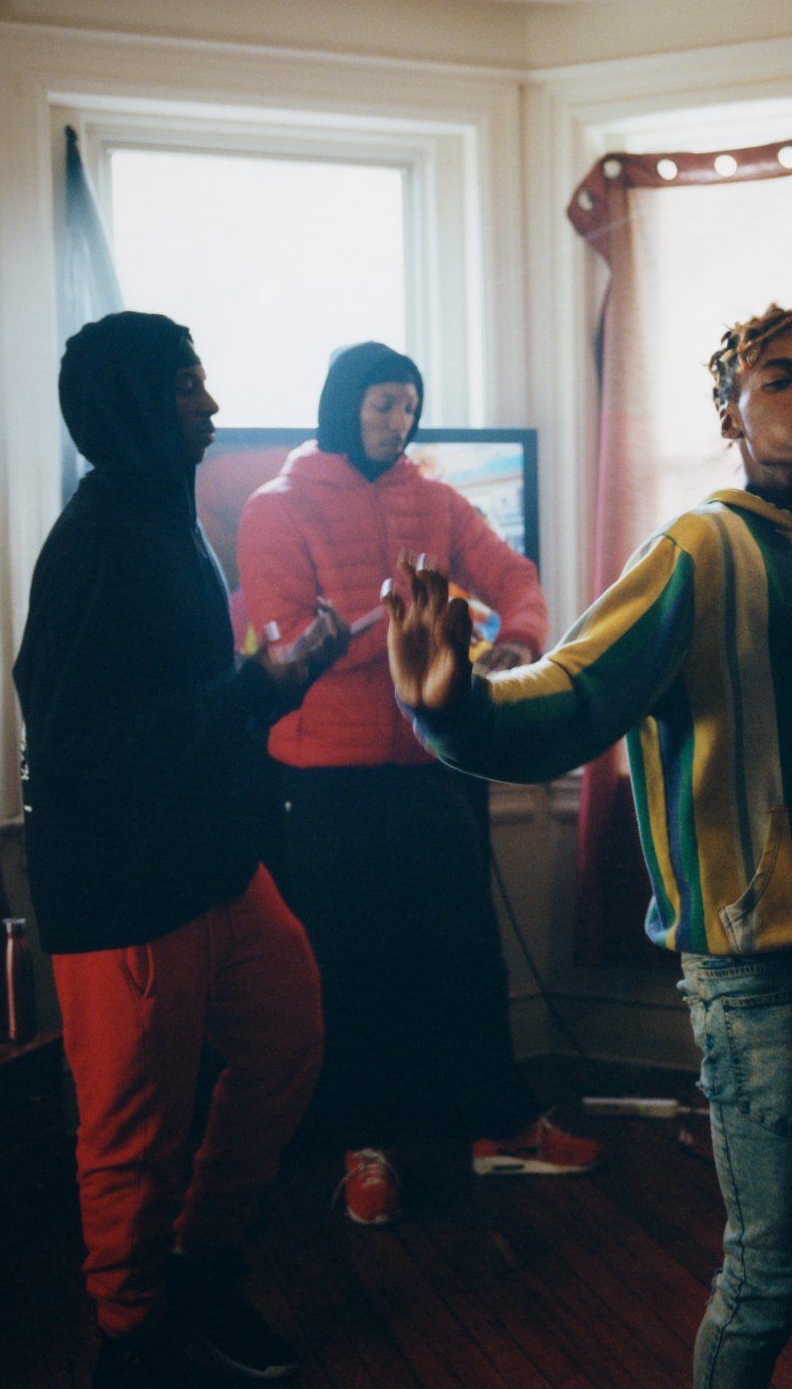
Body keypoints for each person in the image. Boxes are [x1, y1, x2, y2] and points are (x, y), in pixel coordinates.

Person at [383, 305, 792, 1389]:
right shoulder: (697, 549)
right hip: (757, 987)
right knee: (773, 1279)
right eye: (779, 378)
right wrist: (452, 709)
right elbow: (571, 698)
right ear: (729, 412)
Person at [14, 312, 350, 1389]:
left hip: (209, 864)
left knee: (289, 1032)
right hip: (122, 892)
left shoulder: (168, 515)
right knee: (130, 1135)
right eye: (186, 388)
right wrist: (249, 691)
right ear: (131, 405)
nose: (209, 405)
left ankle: (200, 1263)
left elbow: (179, 698)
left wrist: (270, 681)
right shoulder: (95, 541)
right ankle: (134, 1337)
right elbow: (69, 748)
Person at [235, 341, 597, 1228]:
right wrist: (421, 633)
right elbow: (289, 642)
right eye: (383, 404)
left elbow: (513, 577)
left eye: (409, 407)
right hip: (326, 783)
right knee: (349, 972)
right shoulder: (273, 508)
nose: (399, 423)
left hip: (438, 767)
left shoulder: (435, 499)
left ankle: (503, 1124)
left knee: (469, 956)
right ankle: (365, 1152)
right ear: (342, 405)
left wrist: (515, 632)